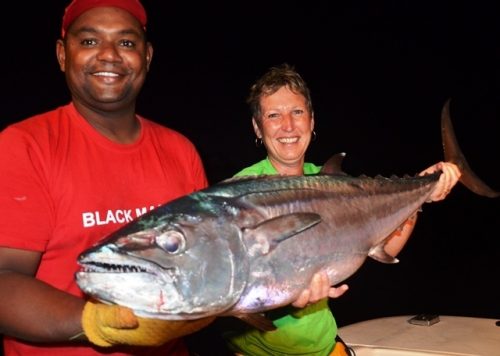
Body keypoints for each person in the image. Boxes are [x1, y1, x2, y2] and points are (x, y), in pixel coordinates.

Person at [0, 1, 217, 355]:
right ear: (61, 54)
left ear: (147, 57)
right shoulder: (24, 146)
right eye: (89, 41)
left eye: (126, 43)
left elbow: (207, 267)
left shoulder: (181, 151)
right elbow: (3, 279)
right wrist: (94, 322)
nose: (109, 55)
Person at [223, 63, 461, 356]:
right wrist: (290, 298)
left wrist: (423, 194)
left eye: (297, 112)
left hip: (325, 347)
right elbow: (229, 289)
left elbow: (384, 246)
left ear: (312, 121)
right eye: (274, 115)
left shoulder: (331, 184)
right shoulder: (239, 195)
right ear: (258, 127)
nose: (288, 125)